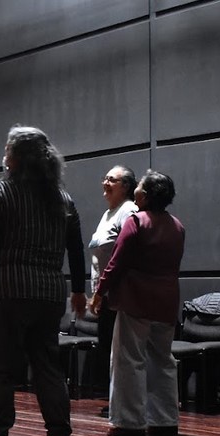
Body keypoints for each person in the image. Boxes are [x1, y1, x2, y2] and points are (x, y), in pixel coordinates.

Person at [0, 125, 86, 436]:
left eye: (7, 150)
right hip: (49, 293)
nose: (4, 156)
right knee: (48, 366)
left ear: (18, 157)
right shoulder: (63, 199)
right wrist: (78, 290)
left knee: (0, 366)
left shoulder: (2, 193)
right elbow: (75, 249)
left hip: (9, 290)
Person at [88, 170, 185, 436]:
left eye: (139, 187)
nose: (136, 192)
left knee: (129, 360)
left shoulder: (136, 221)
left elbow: (116, 262)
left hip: (137, 301)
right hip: (167, 303)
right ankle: (165, 420)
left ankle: (128, 423)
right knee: (163, 360)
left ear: (145, 194)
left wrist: (99, 293)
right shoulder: (178, 226)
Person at [88, 166, 138, 416]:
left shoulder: (128, 211)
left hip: (119, 296)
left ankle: (125, 407)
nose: (104, 183)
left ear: (126, 186)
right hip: (106, 295)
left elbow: (123, 256)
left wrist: (102, 291)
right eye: (104, 177)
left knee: (120, 353)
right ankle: (118, 404)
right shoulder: (109, 213)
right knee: (110, 350)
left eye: (111, 179)